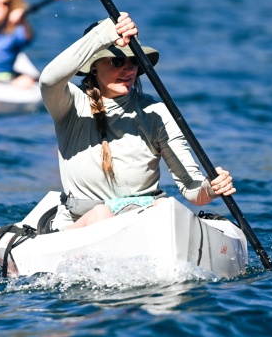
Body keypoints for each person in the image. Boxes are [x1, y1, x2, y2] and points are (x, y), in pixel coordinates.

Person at [39, 13, 237, 231]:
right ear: (93, 66)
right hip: (83, 220)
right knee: (102, 215)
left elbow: (191, 188)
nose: (129, 69)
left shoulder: (157, 112)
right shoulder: (70, 104)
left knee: (166, 207)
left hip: (140, 219)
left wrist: (210, 188)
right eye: (117, 61)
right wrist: (105, 33)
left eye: (134, 61)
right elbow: (49, 80)